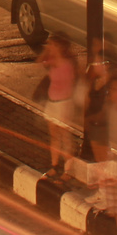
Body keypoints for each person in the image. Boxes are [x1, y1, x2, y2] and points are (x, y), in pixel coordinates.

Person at [37, 33, 82, 178]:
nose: (50, 47)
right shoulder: (51, 60)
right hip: (52, 102)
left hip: (64, 103)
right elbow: (39, 61)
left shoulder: (67, 64)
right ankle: (54, 166)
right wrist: (47, 51)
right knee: (54, 136)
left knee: (65, 137)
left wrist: (51, 59)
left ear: (60, 47)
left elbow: (66, 81)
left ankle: (68, 169)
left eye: (53, 45)